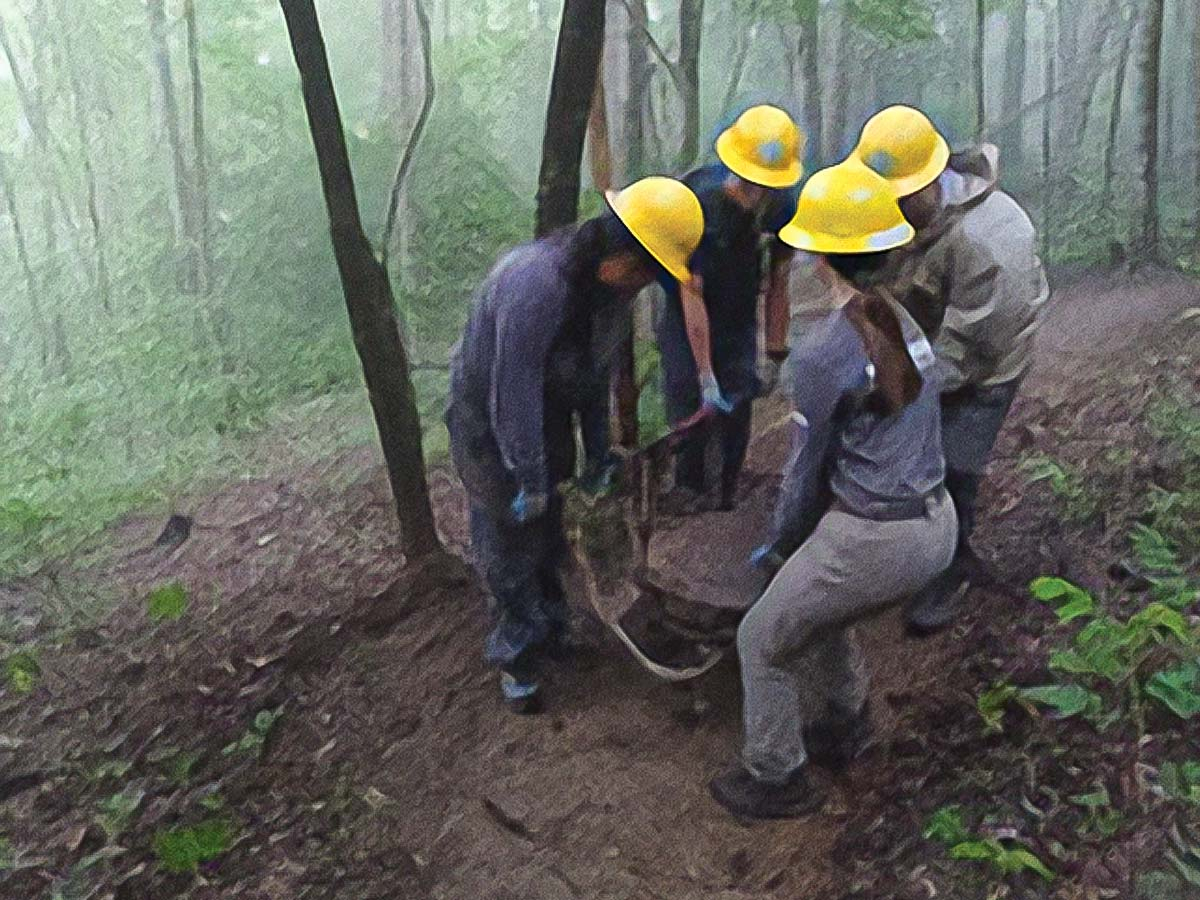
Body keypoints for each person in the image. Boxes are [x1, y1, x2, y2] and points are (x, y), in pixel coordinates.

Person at [709, 160, 958, 820]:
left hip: (879, 536)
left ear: (820, 256)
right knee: (821, 604)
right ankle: (845, 723)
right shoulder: (910, 317)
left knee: (761, 639)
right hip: (937, 522)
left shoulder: (825, 352)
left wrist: (777, 549)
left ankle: (776, 775)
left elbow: (802, 475)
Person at [446, 177, 705, 713]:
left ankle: (554, 626)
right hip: (488, 425)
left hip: (549, 413)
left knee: (552, 528)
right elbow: (509, 390)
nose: (640, 287)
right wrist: (528, 474)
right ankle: (517, 655)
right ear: (621, 253)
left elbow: (596, 374)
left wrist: (598, 451)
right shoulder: (534, 284)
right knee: (507, 541)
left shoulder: (609, 294)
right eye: (643, 275)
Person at [852, 105, 1050, 635]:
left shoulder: (989, 240)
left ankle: (951, 566)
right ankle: (913, 544)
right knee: (914, 446)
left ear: (926, 184)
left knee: (955, 461)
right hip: (937, 334)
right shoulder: (915, 213)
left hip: (989, 360)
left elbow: (970, 346)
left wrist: (900, 392)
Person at [656, 104, 804, 512]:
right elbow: (691, 291)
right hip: (687, 307)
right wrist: (705, 374)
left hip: (739, 307)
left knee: (739, 394)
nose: (761, 192)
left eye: (770, 184)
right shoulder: (699, 205)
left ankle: (726, 493)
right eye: (754, 182)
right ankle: (687, 489)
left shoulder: (783, 206)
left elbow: (780, 278)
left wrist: (776, 351)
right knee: (689, 398)